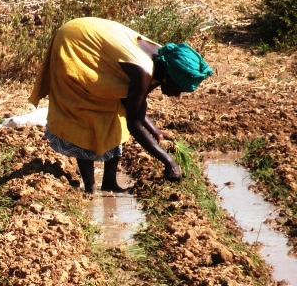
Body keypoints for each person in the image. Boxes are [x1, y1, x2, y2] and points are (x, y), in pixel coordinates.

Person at [29, 17, 213, 194]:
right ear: (170, 77)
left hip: (92, 37)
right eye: (179, 89)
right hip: (75, 42)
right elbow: (134, 123)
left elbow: (134, 106)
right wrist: (169, 162)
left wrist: (155, 131)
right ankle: (89, 188)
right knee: (86, 113)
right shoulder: (143, 71)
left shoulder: (163, 59)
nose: (178, 95)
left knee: (115, 113)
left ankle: (109, 183)